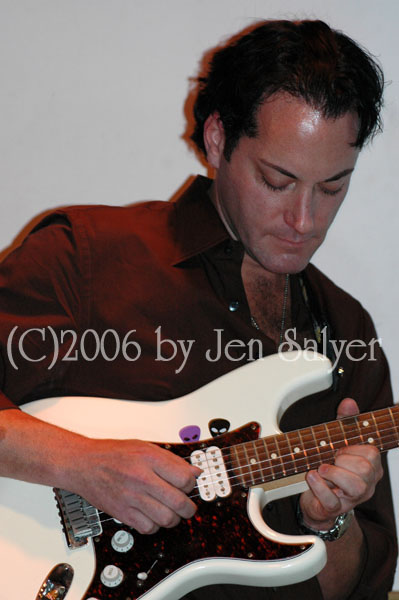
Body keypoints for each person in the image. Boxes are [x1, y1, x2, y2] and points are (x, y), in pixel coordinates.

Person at [0, 18, 396, 600]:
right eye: (277, 180)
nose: (305, 221)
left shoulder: (346, 330)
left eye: (333, 187)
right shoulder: (85, 256)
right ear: (218, 140)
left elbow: (351, 587)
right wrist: (80, 463)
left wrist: (328, 521)